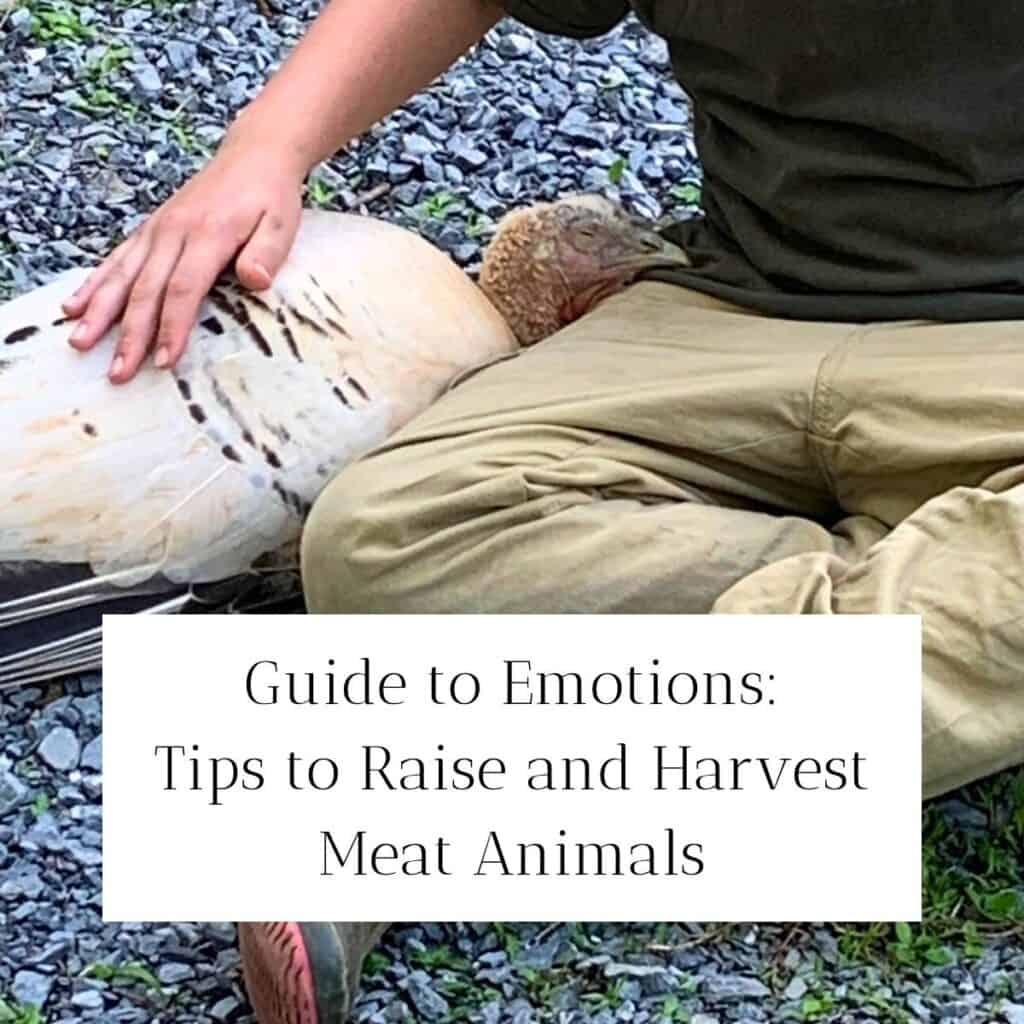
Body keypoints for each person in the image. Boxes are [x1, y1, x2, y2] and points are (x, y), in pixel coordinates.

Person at [65, 2, 1024, 1022]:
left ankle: (450, 789)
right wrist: (261, 152)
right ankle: (922, 593)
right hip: (738, 303)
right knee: (385, 539)